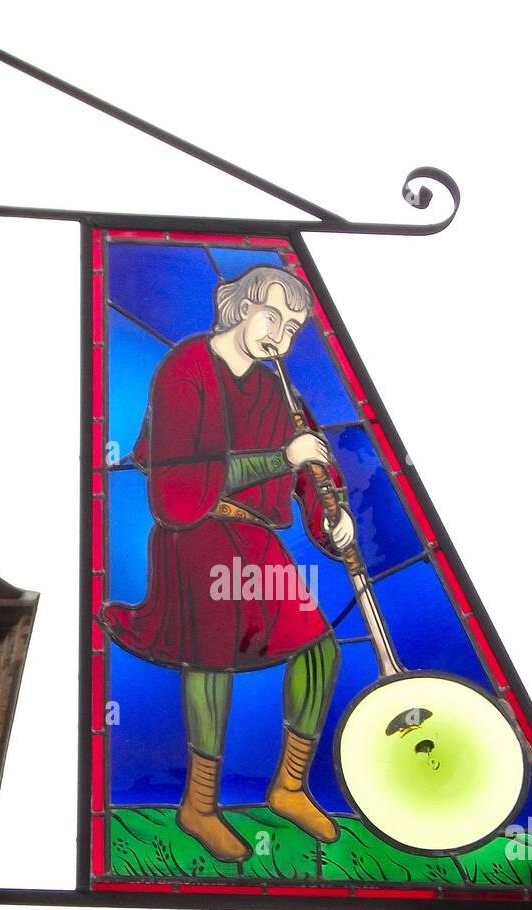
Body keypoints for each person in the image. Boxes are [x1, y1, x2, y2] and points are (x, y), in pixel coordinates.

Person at [105, 265, 356, 862]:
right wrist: (280, 457)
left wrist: (332, 517)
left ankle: (289, 787)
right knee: (209, 656)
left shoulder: (279, 393)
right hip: (194, 533)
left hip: (254, 540)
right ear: (238, 307)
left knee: (320, 648)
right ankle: (198, 804)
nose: (282, 337)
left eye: (294, 328)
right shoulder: (185, 370)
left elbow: (311, 477)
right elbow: (178, 482)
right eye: (273, 318)